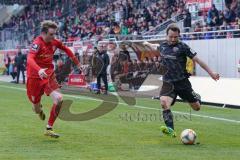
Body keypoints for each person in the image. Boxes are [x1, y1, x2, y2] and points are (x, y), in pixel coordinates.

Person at [144, 24, 220, 137]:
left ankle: (196, 98)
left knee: (196, 108)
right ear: (166, 36)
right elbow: (155, 46)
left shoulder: (183, 47)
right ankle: (170, 129)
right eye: (171, 37)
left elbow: (198, 60)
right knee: (164, 102)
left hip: (182, 82)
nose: (173, 39)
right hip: (168, 82)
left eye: (176, 37)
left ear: (178, 36)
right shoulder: (163, 46)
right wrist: (147, 44)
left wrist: (211, 73)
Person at [26, 20, 81, 138]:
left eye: (54, 34)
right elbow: (30, 59)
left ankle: (49, 128)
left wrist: (77, 63)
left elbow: (66, 49)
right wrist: (39, 69)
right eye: (51, 34)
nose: (53, 37)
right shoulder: (37, 43)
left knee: (59, 98)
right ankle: (39, 110)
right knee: (35, 108)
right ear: (44, 33)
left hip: (48, 76)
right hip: (34, 78)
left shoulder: (54, 42)